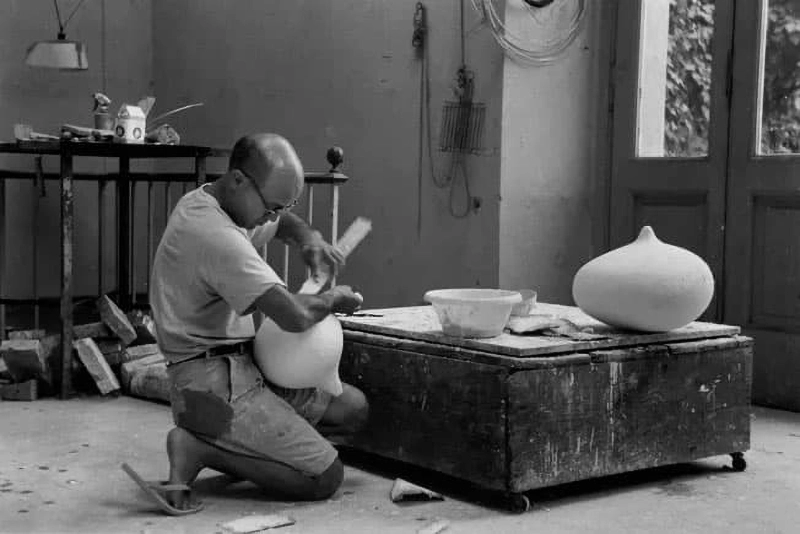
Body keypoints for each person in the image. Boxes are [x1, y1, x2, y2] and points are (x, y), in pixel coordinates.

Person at [122, 133, 368, 515]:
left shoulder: (220, 202)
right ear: (238, 179)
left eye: (280, 206)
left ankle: (248, 445)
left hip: (242, 367)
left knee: (352, 409)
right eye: (270, 206)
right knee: (325, 476)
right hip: (209, 384)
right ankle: (198, 445)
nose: (271, 216)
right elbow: (295, 315)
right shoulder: (214, 234)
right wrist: (336, 298)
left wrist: (309, 239)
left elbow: (284, 222)